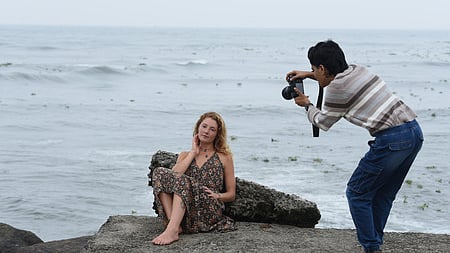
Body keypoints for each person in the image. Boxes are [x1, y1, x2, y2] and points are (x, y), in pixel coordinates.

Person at [286, 40, 423, 253]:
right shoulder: (358, 69)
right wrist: (308, 74)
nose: (313, 72)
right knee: (384, 193)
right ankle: (374, 243)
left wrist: (307, 105)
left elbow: (323, 122)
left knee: (357, 193)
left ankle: (371, 247)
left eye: (315, 69)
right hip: (413, 132)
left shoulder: (336, 89)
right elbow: (334, 78)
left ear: (322, 68)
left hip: (392, 140)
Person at [151, 112, 236, 245]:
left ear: (217, 134)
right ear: (198, 128)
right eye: (204, 126)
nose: (206, 131)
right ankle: (173, 225)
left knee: (184, 181)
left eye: (212, 129)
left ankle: (171, 230)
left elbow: (231, 194)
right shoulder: (185, 155)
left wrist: (217, 196)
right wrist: (193, 153)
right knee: (159, 173)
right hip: (185, 211)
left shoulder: (224, 157)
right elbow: (171, 178)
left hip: (207, 209)